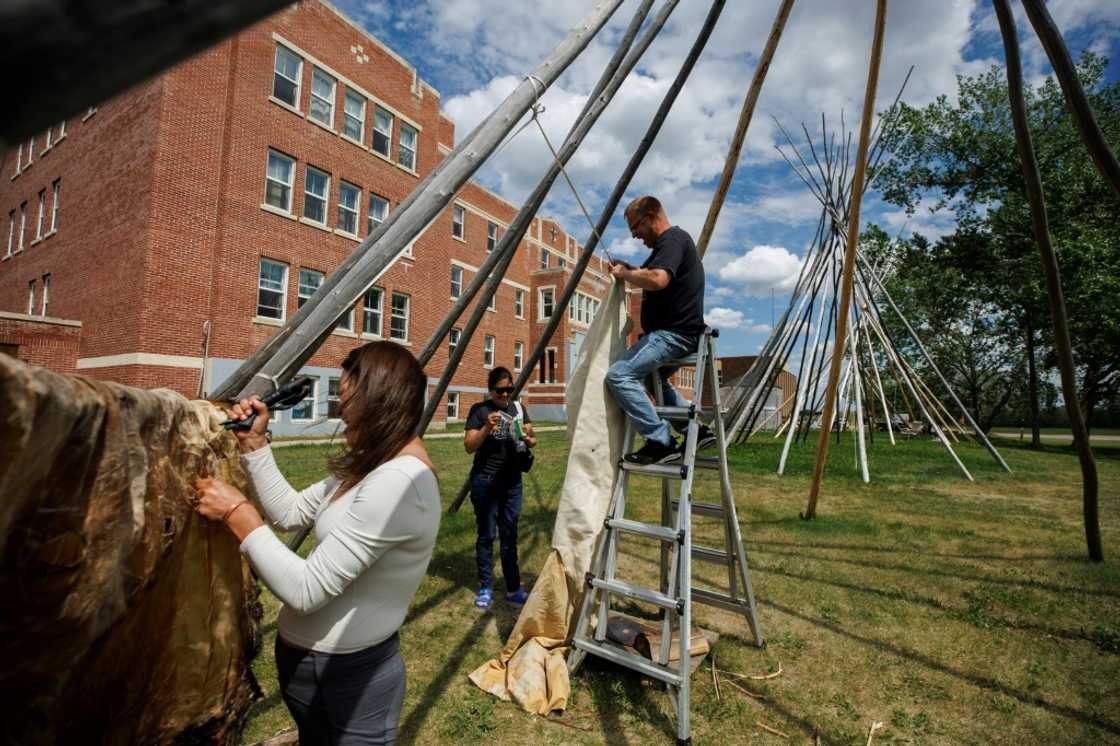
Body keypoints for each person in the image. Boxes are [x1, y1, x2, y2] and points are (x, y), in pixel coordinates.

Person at [191, 341, 440, 746]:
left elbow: (307, 591)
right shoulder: (372, 467)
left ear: (377, 400)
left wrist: (237, 512)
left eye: (345, 397)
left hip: (351, 682)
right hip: (318, 678)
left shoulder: (400, 483)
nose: (340, 412)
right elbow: (290, 513)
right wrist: (254, 444)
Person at [605, 195, 715, 465]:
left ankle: (660, 441)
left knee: (619, 375)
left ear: (652, 216)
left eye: (636, 228)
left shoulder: (672, 239)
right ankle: (693, 430)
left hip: (673, 334)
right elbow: (651, 272)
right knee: (653, 381)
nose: (634, 236)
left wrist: (626, 275)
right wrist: (632, 270)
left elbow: (658, 279)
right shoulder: (668, 247)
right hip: (680, 333)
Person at [463, 366, 537, 610]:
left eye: (509, 390)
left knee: (510, 534)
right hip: (486, 481)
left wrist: (528, 436)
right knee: (487, 535)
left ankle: (513, 587)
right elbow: (469, 446)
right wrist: (486, 428)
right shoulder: (480, 410)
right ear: (490, 390)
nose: (505, 395)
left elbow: (533, 439)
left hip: (513, 482)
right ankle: (486, 586)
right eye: (500, 391)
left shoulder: (518, 408)